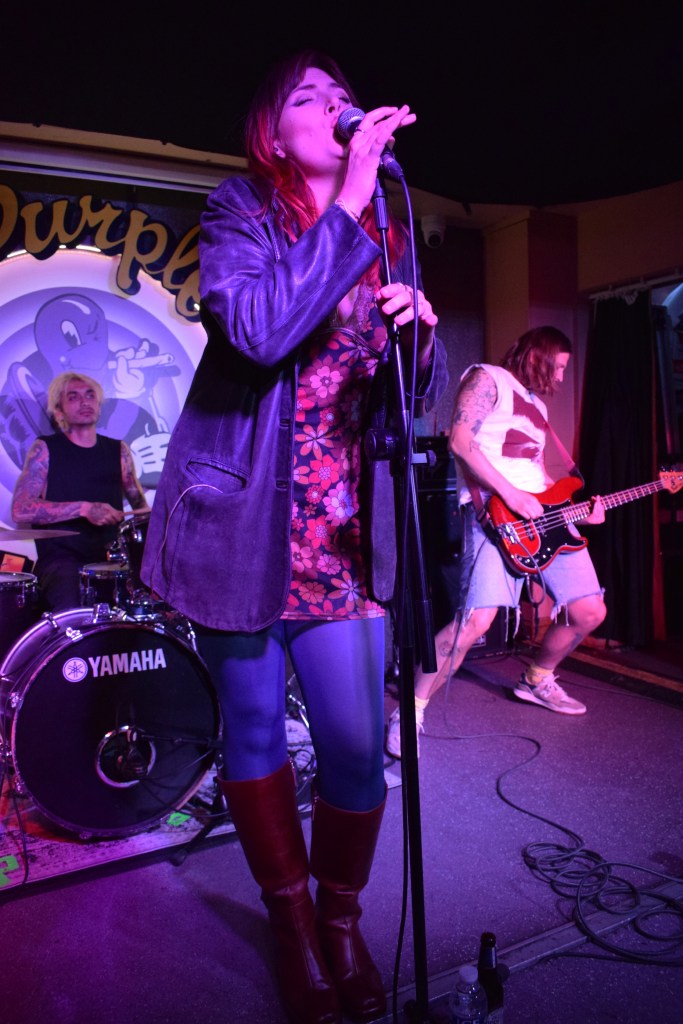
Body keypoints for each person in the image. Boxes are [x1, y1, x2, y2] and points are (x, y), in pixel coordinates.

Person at [140, 50, 447, 1024]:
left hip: (344, 536)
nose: (335, 106)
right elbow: (259, 330)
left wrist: (419, 336)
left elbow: (411, 398)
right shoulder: (239, 212)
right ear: (273, 135)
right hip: (242, 525)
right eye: (308, 98)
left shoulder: (387, 230)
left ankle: (340, 917)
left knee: (356, 749)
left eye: (340, 94)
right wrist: (350, 197)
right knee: (256, 733)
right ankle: (292, 927)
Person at [387, 325, 607, 759]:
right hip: (498, 516)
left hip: (544, 518)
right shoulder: (486, 378)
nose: (561, 377)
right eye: (559, 366)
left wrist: (578, 511)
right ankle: (410, 711)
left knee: (589, 610)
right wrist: (510, 494)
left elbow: (539, 477)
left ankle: (536, 679)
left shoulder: (538, 407)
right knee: (475, 622)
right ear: (538, 356)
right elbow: (460, 442)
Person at [11, 371, 150, 611]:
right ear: (59, 410)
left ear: (99, 405)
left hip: (112, 560)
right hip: (61, 562)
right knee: (72, 604)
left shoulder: (118, 450)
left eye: (90, 395)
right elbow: (20, 509)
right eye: (73, 397)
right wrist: (84, 508)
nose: (84, 402)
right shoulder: (45, 448)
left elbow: (141, 509)